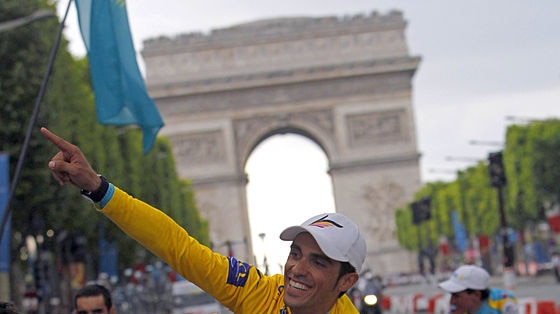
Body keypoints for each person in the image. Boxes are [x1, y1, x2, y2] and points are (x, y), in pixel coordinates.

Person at [40, 127, 367, 314]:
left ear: (346, 282)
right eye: (295, 253)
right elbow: (177, 247)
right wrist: (98, 188)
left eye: (319, 262)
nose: (298, 269)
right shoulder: (259, 293)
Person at [438, 265, 518, 314]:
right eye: (452, 295)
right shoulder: (456, 310)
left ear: (476, 295)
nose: (452, 301)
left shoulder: (503, 300)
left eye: (457, 296)